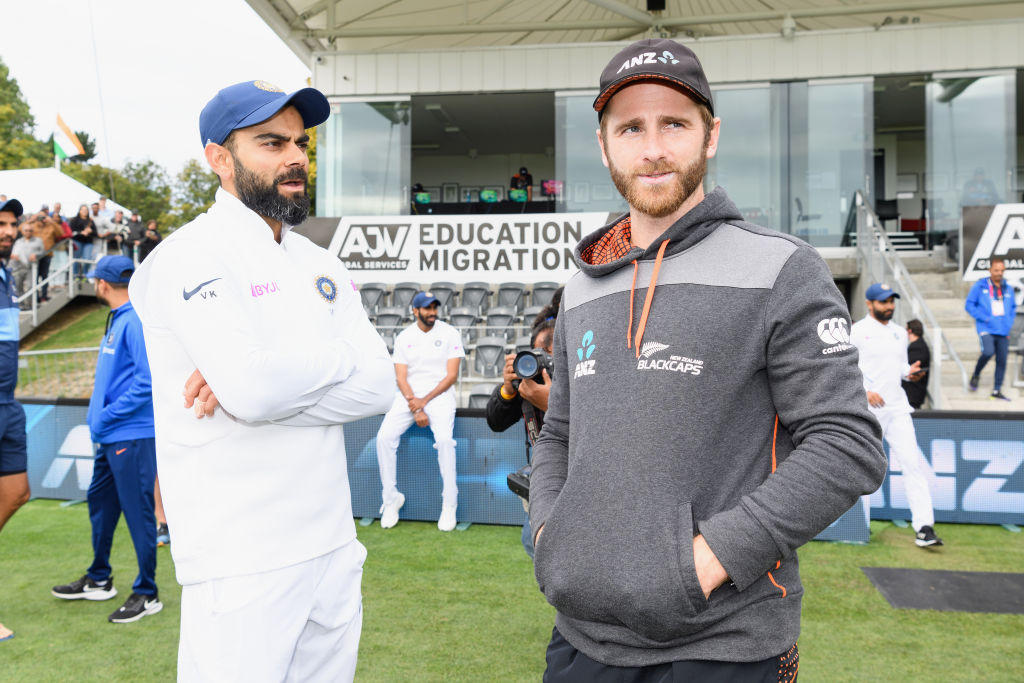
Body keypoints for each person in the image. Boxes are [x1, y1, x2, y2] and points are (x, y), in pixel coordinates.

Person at [528, 38, 887, 680]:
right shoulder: (582, 286)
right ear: (604, 145)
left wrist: (709, 562)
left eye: (675, 124)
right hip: (581, 639)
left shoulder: (782, 268)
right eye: (631, 127)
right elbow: (559, 432)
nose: (654, 147)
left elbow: (846, 445)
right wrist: (551, 535)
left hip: (722, 645)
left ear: (710, 135)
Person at [128, 79, 393, 681]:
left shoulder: (319, 260)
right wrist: (302, 371)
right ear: (219, 159)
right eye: (271, 143)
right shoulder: (189, 255)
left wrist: (258, 385)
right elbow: (253, 389)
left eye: (300, 142)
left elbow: (378, 386)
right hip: (240, 555)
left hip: (330, 544)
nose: (296, 157)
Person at [50, 255, 162, 623]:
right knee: (101, 508)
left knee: (138, 514)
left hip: (129, 435)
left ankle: (147, 593)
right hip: (112, 435)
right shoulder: (120, 319)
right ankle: (99, 579)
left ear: (101, 284)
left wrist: (107, 415)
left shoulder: (134, 322)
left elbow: (147, 382)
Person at [850, 283, 943, 548]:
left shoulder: (900, 333)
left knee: (913, 465)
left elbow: (898, 365)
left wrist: (908, 371)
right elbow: (845, 369)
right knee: (862, 467)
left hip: (899, 408)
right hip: (870, 412)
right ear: (869, 304)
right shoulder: (856, 332)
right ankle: (856, 525)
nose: (889, 306)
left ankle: (924, 528)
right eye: (883, 302)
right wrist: (865, 391)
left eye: (891, 301)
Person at [375, 291, 464, 532]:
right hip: (409, 397)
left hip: (439, 396)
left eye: (434, 307)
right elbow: (401, 377)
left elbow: (451, 376)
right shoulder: (405, 336)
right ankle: (391, 498)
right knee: (384, 438)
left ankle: (449, 504)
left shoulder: (449, 333)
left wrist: (423, 401)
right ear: (415, 311)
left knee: (445, 441)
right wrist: (415, 405)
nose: (432, 312)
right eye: (427, 308)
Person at [485, 294, 559, 559]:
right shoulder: (524, 384)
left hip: (576, 481)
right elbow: (495, 421)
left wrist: (552, 403)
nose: (544, 363)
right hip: (542, 480)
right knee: (533, 544)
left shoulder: (580, 382)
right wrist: (507, 390)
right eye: (537, 354)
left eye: (551, 356)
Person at [0, 198, 31, 643]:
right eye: (0, 224)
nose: (7, 231)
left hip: (7, 403)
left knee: (18, 492)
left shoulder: (6, 274)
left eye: (10, 224)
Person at [965, 258, 1016, 400]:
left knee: (1002, 360)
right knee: (987, 352)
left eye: (1002, 270)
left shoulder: (1008, 288)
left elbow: (1012, 307)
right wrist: (985, 318)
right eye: (996, 270)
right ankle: (976, 374)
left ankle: (996, 390)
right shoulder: (980, 286)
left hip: (1003, 329)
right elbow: (969, 305)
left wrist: (1008, 322)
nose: (999, 273)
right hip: (986, 327)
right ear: (990, 270)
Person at [10, 220, 44, 307]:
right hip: (18, 267)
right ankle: (21, 305)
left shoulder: (38, 241)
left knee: (30, 286)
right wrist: (13, 256)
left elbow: (43, 252)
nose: (28, 232)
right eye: (26, 230)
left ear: (32, 231)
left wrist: (36, 255)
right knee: (18, 286)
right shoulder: (18, 242)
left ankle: (30, 304)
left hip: (31, 267)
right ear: (23, 231)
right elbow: (13, 252)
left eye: (30, 230)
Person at [902, 319, 930, 409]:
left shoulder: (918, 347)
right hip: (912, 393)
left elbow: (909, 368)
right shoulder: (918, 345)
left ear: (909, 330)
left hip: (912, 394)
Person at [68, 204, 96, 277]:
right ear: (80, 211)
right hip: (77, 241)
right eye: (83, 210)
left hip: (88, 242)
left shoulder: (90, 221)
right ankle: (75, 275)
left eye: (86, 210)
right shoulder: (74, 220)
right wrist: (81, 232)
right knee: (76, 259)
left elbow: (96, 233)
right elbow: (71, 231)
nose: (84, 211)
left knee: (87, 259)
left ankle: (85, 275)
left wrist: (90, 231)